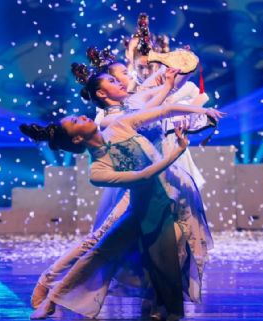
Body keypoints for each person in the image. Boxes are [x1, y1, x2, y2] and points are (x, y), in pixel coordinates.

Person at [21, 104, 224, 320]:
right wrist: (177, 151)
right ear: (77, 139)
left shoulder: (120, 125)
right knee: (99, 253)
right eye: (75, 121)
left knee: (167, 261)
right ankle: (52, 300)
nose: (82, 116)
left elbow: (164, 110)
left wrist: (200, 111)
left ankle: (160, 309)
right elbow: (143, 176)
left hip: (171, 197)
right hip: (142, 210)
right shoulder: (98, 170)